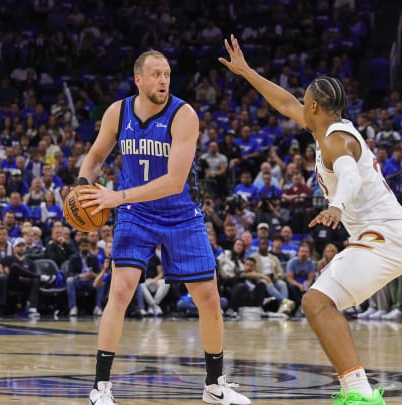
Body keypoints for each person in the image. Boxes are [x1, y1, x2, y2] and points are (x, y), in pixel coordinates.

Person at [220, 35, 402, 405]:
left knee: (315, 302)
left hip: (386, 238)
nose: (298, 105)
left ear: (313, 105)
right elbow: (283, 102)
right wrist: (246, 72)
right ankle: (355, 389)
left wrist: (338, 206)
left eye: (303, 101)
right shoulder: (325, 127)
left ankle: (359, 393)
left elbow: (350, 175)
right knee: (318, 303)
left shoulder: (335, 140)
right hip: (387, 237)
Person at [75, 50, 251, 405]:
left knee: (209, 299)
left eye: (167, 74)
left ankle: (215, 385)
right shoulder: (117, 112)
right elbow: (95, 158)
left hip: (180, 214)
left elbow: (174, 181)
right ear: (138, 79)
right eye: (156, 74)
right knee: (120, 292)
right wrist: (81, 187)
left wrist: (116, 197)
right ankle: (101, 388)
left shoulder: (184, 115)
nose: (163, 81)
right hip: (135, 214)